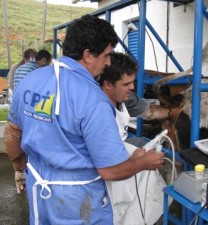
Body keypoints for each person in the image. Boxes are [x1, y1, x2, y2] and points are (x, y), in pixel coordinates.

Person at [4, 14, 164, 225]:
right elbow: (110, 170)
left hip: (39, 190)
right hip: (77, 204)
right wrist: (144, 162)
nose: (108, 63)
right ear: (88, 55)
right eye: (106, 55)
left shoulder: (31, 80)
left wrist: (18, 168)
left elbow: (13, 132)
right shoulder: (93, 99)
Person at [99, 52, 167, 225]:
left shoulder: (121, 99)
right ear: (107, 84)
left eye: (133, 82)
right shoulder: (97, 112)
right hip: (107, 174)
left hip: (118, 158)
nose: (132, 87)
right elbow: (107, 164)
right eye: (126, 84)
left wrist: (136, 151)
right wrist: (141, 160)